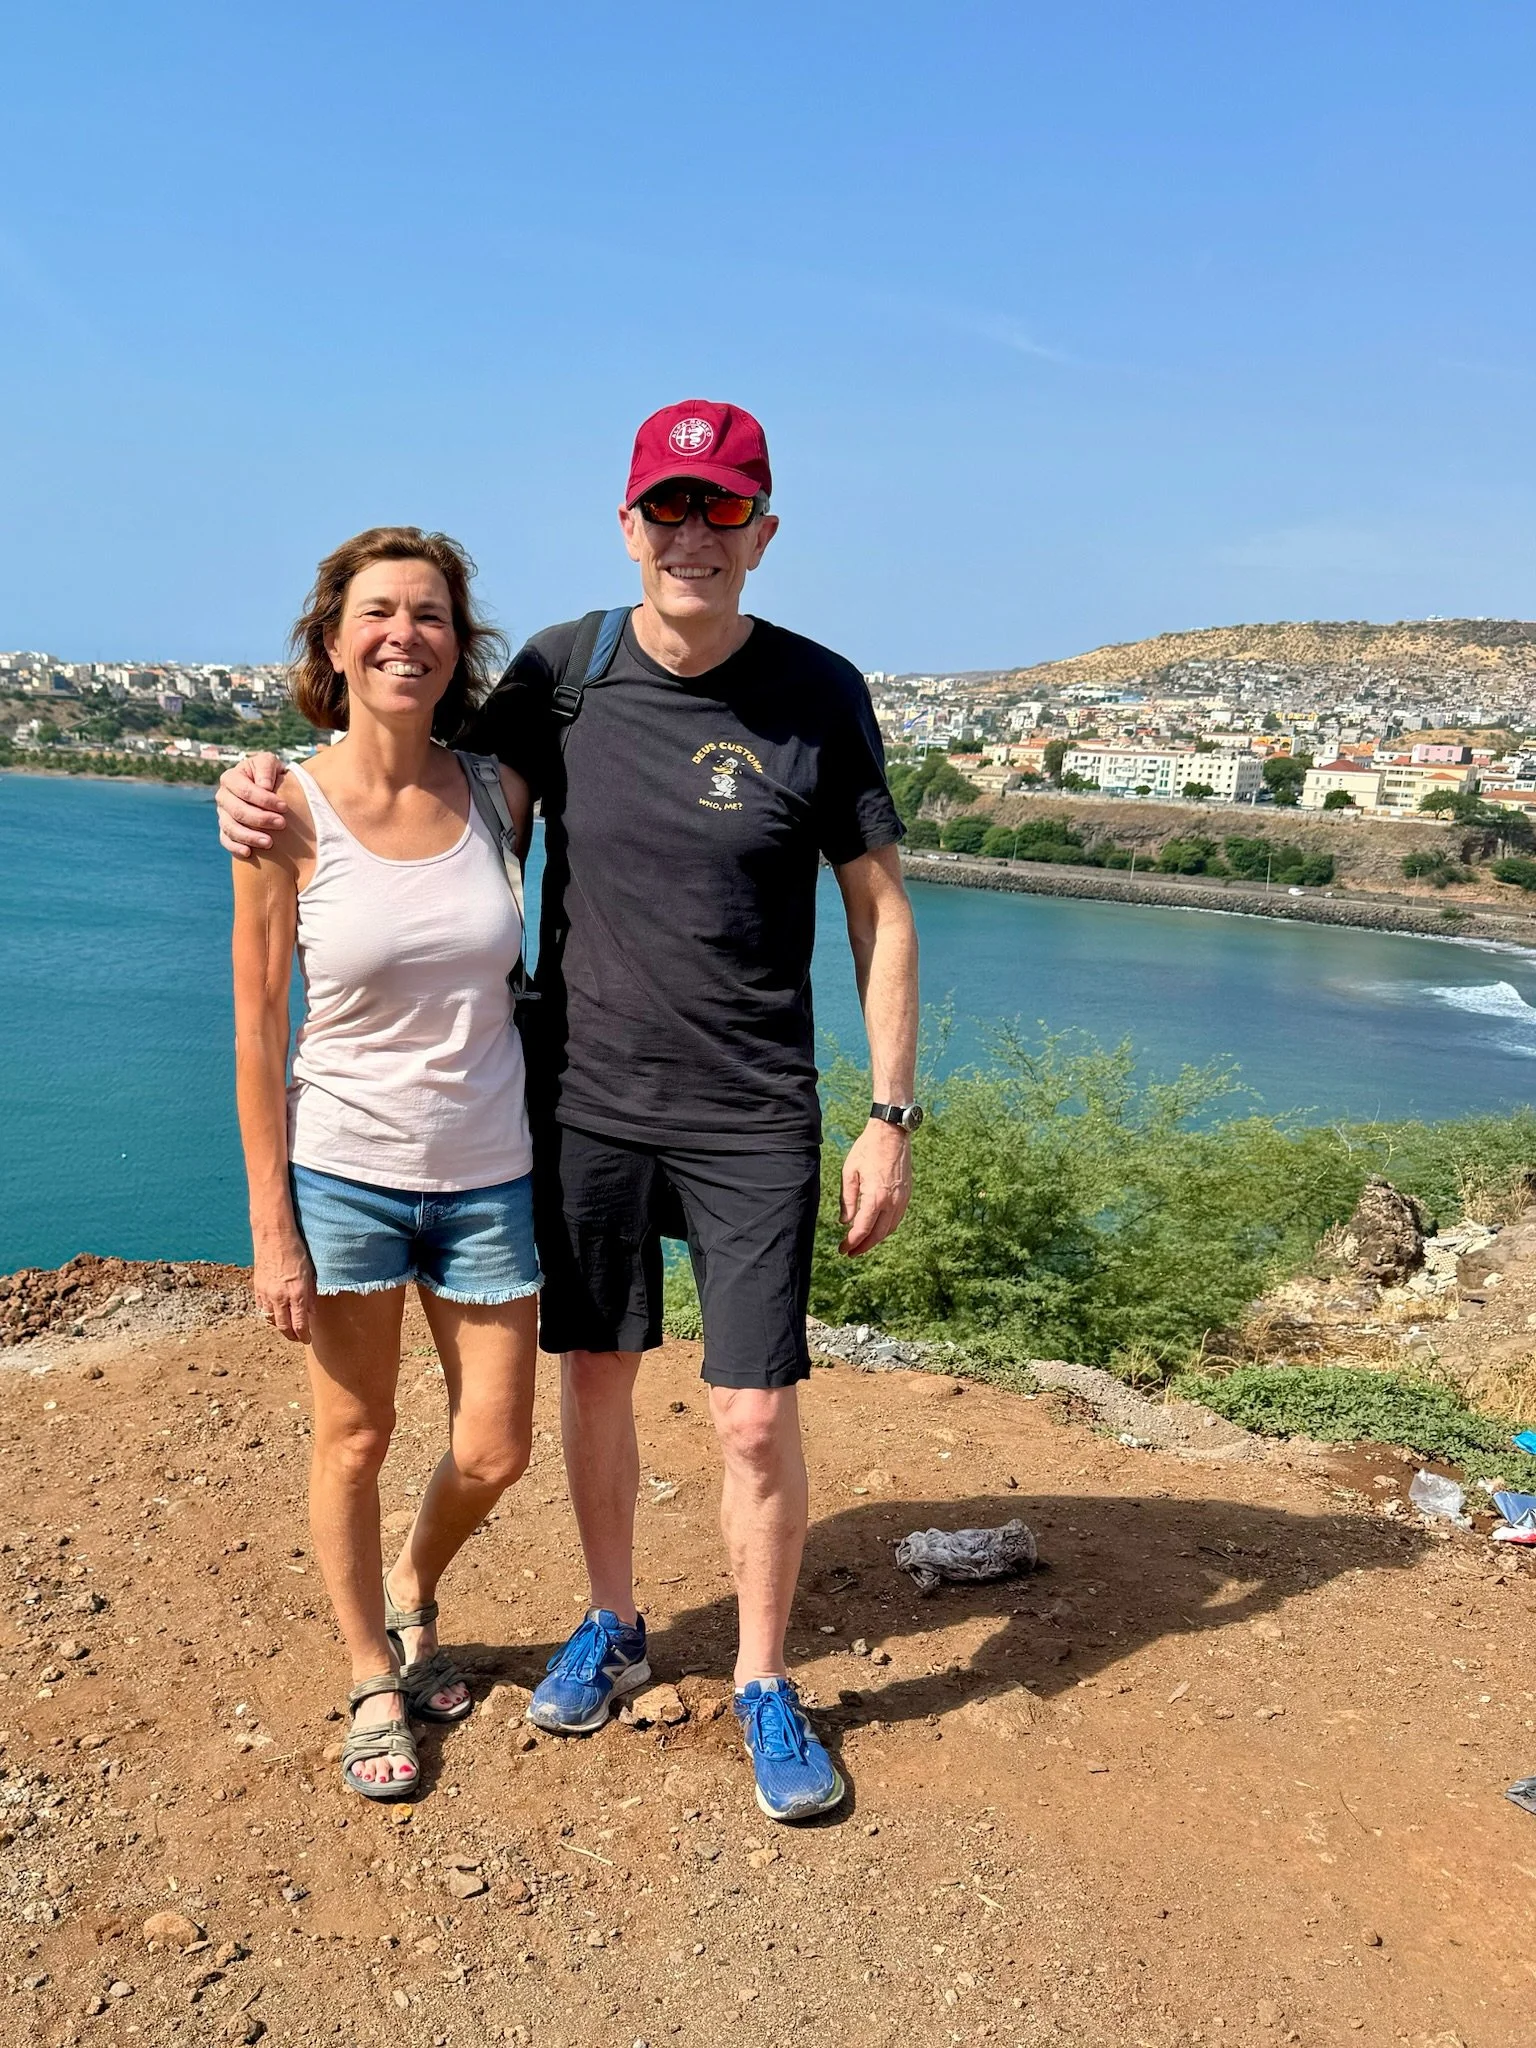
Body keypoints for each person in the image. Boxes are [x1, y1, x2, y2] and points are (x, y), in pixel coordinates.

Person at [219, 401, 921, 1823]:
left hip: (750, 1112)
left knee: (746, 1415)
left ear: (763, 531)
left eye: (722, 508)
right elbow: (408, 768)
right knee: (591, 1382)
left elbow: (881, 911)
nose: (692, 532)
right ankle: (610, 1622)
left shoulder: (821, 692)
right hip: (583, 1103)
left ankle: (766, 1679)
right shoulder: (563, 671)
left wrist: (889, 1112)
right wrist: (254, 782)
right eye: (668, 505)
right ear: (628, 523)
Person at [230, 527, 541, 1802]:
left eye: (430, 613)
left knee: (497, 1447)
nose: (404, 632)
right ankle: (372, 1670)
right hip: (345, 1171)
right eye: (378, 611)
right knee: (354, 1434)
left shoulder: (503, 792)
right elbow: (258, 1024)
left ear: (458, 645)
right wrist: (272, 1227)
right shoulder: (285, 811)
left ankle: (414, 1582)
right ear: (333, 640)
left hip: (490, 1172)